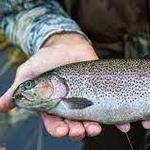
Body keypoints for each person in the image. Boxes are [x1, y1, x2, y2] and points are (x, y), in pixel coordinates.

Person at [0, 0, 150, 149]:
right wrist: (56, 37)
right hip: (94, 50)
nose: (26, 90)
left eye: (29, 85)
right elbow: (15, 7)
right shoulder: (62, 93)